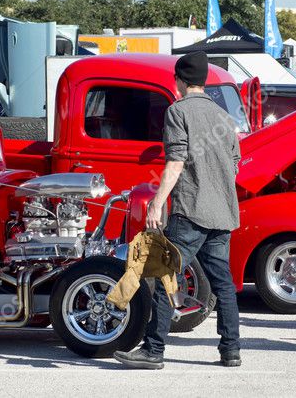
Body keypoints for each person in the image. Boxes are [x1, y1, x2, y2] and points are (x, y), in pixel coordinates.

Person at [113, 51, 242, 370]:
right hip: (223, 211)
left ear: (180, 81)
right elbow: (236, 163)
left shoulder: (177, 111)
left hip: (191, 210)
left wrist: (157, 201)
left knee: (161, 272)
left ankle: (153, 350)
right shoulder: (224, 116)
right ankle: (231, 351)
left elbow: (176, 161)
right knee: (223, 283)